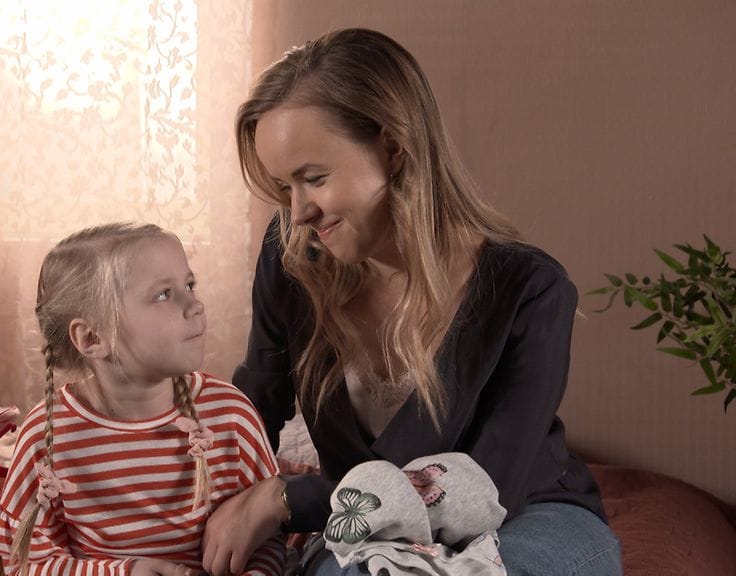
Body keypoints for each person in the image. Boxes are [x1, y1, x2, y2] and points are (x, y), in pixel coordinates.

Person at [201, 28, 622, 576]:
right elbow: (252, 409)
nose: (298, 211)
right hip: (359, 522)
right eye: (284, 187)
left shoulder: (530, 289)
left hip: (524, 515)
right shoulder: (291, 256)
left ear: (394, 148)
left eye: (314, 179)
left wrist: (286, 499)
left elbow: (486, 485)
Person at [0, 223, 286, 576]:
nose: (195, 305)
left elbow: (268, 536)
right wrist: (124, 572)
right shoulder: (45, 438)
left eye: (189, 285)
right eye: (163, 295)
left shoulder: (230, 415)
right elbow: (27, 563)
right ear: (92, 338)